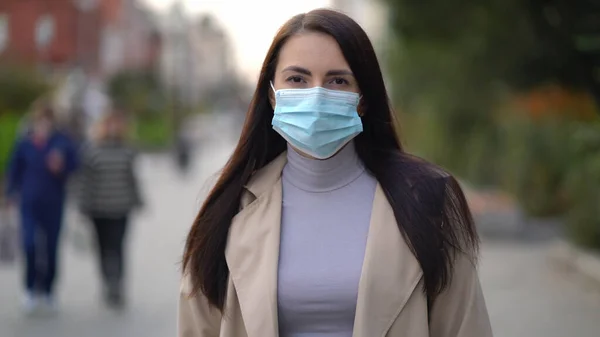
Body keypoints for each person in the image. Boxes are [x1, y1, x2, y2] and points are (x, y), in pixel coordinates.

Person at [178, 9, 493, 337]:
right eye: (297, 79)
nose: (316, 95)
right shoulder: (229, 208)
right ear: (272, 94)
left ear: (363, 99)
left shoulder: (430, 200)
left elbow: (465, 326)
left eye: (337, 80)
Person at [5, 103, 78, 314]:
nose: (43, 125)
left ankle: (48, 289)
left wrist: (61, 167)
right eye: (40, 120)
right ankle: (29, 288)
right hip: (28, 203)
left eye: (47, 120)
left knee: (51, 248)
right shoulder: (25, 143)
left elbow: (75, 166)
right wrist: (9, 194)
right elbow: (14, 169)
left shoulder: (62, 142)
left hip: (53, 203)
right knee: (29, 245)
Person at [78, 109, 143, 308]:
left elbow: (132, 179)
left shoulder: (127, 151)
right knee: (102, 247)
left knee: (118, 247)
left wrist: (138, 200)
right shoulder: (92, 151)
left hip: (121, 207)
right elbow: (86, 181)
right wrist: (83, 204)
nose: (113, 128)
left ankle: (117, 285)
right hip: (98, 208)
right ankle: (107, 280)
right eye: (109, 124)